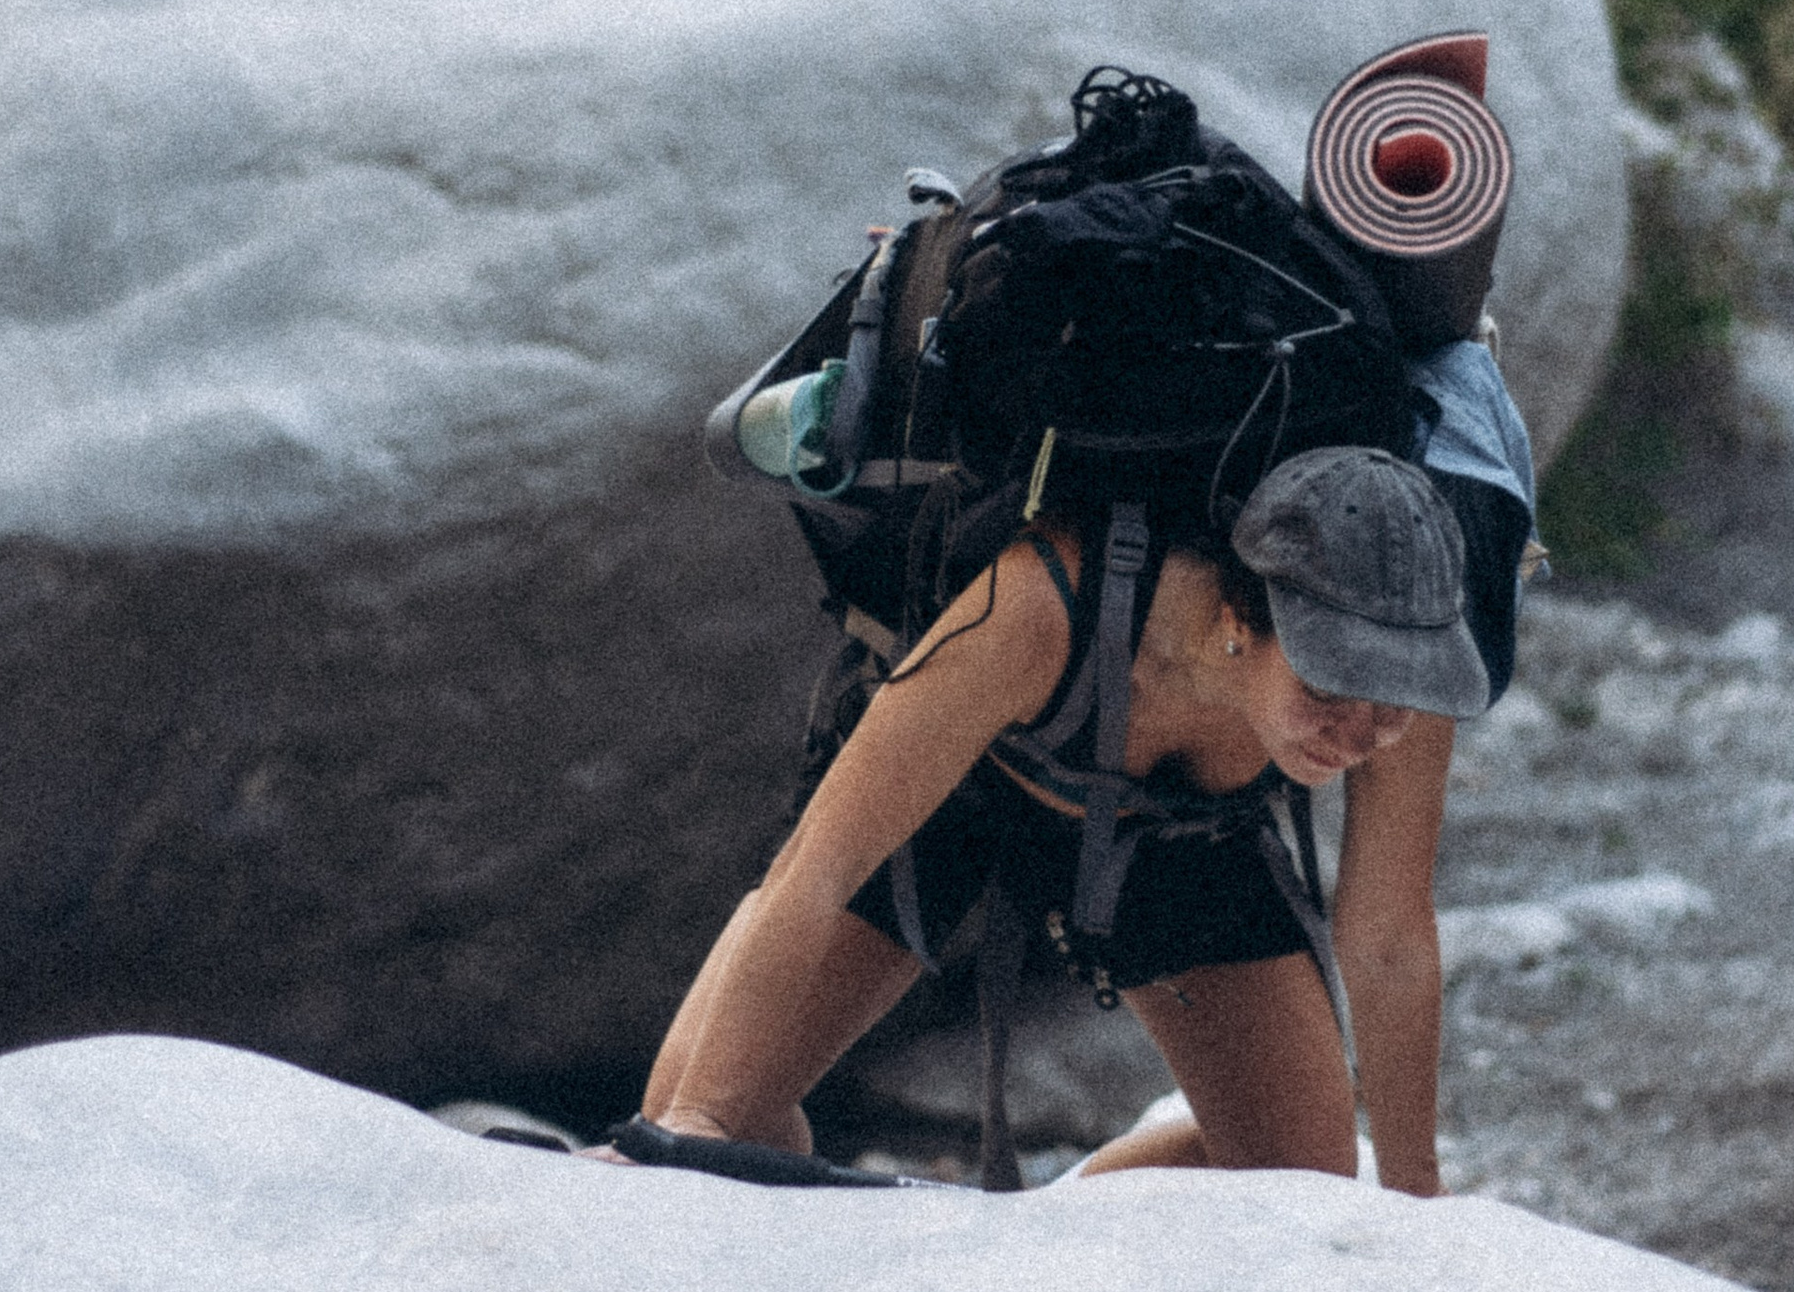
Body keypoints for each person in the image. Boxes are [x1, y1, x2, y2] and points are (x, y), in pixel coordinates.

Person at [627, 446, 1493, 1198]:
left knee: (1304, 1191)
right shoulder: (1042, 603)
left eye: (1394, 705)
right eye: (1330, 689)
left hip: (1185, 838)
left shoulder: (1401, 677)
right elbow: (818, 869)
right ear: (1239, 621)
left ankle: (1050, 1239)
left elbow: (1386, 940)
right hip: (961, 798)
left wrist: (1412, 1201)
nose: (1364, 731)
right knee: (710, 1129)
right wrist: (693, 1128)